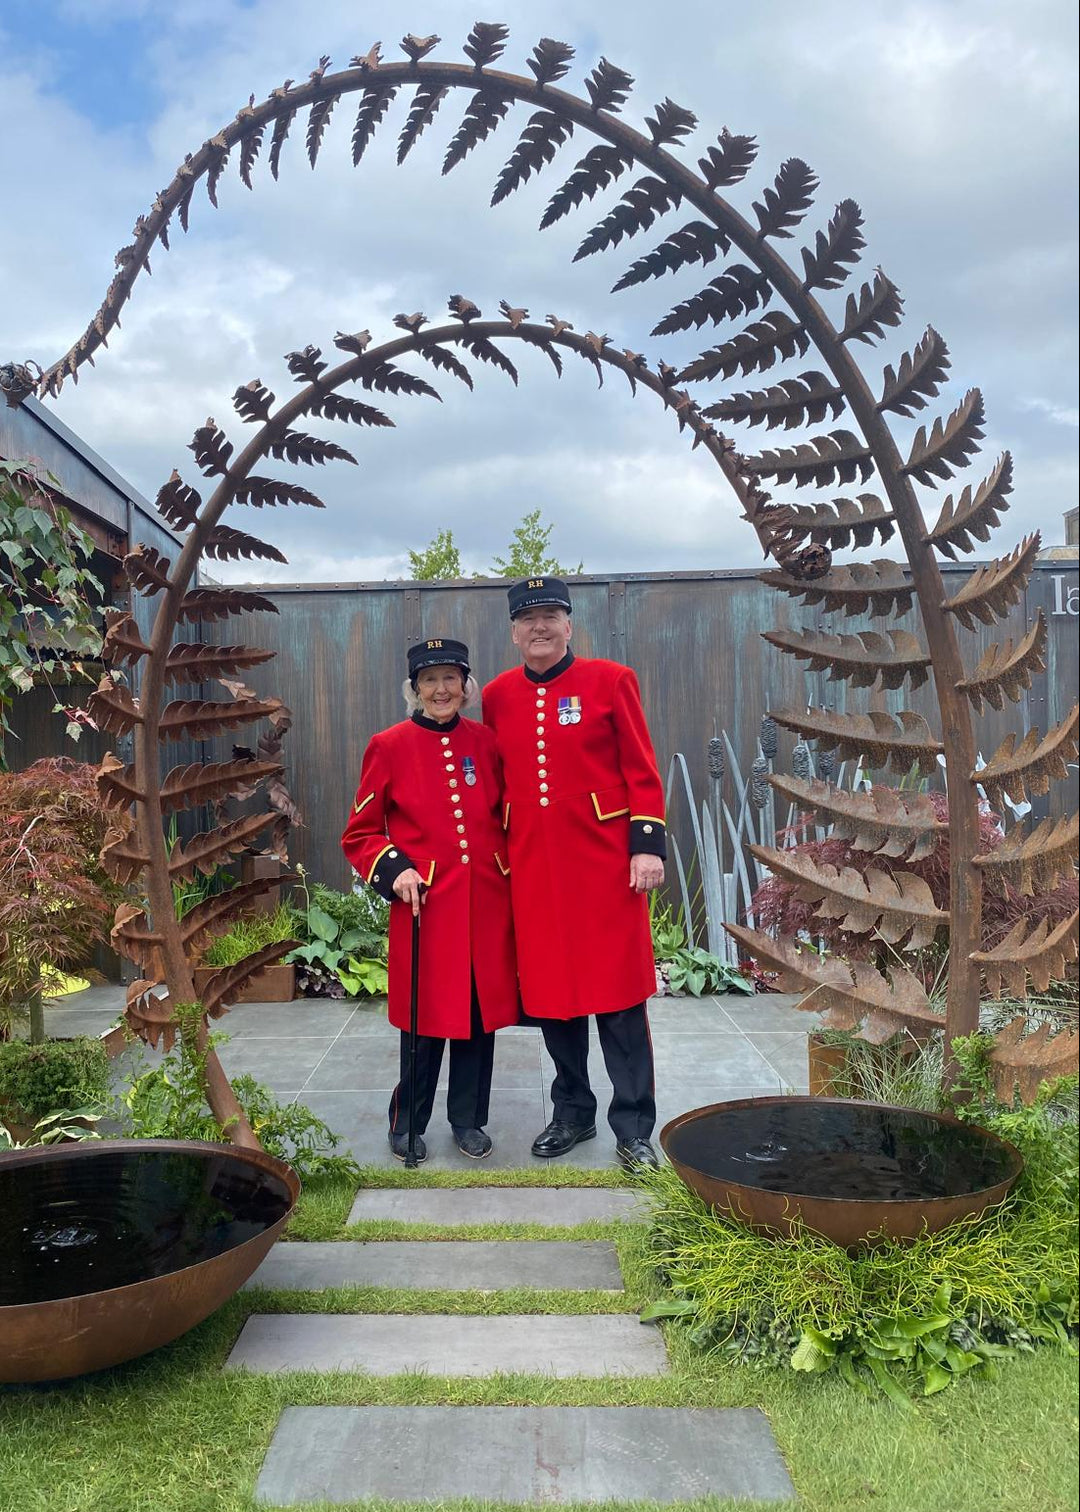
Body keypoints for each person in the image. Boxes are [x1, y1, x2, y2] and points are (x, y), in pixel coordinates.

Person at [482, 577, 666, 1170]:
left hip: (606, 868)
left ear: (569, 624)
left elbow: (642, 769)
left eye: (550, 615)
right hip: (533, 872)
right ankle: (572, 1113)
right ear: (513, 632)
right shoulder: (497, 695)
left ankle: (634, 1125)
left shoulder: (612, 680)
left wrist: (647, 846)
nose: (540, 626)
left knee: (618, 1001)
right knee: (553, 1001)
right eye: (528, 617)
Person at [341, 637, 518, 1162]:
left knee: (477, 1018)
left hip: (486, 901)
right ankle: (409, 1120)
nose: (441, 689)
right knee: (423, 1019)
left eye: (451, 679)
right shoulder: (388, 745)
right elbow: (361, 832)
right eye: (429, 680)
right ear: (414, 689)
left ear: (466, 687)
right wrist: (394, 870)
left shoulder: (486, 742)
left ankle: (468, 1119)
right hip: (426, 904)